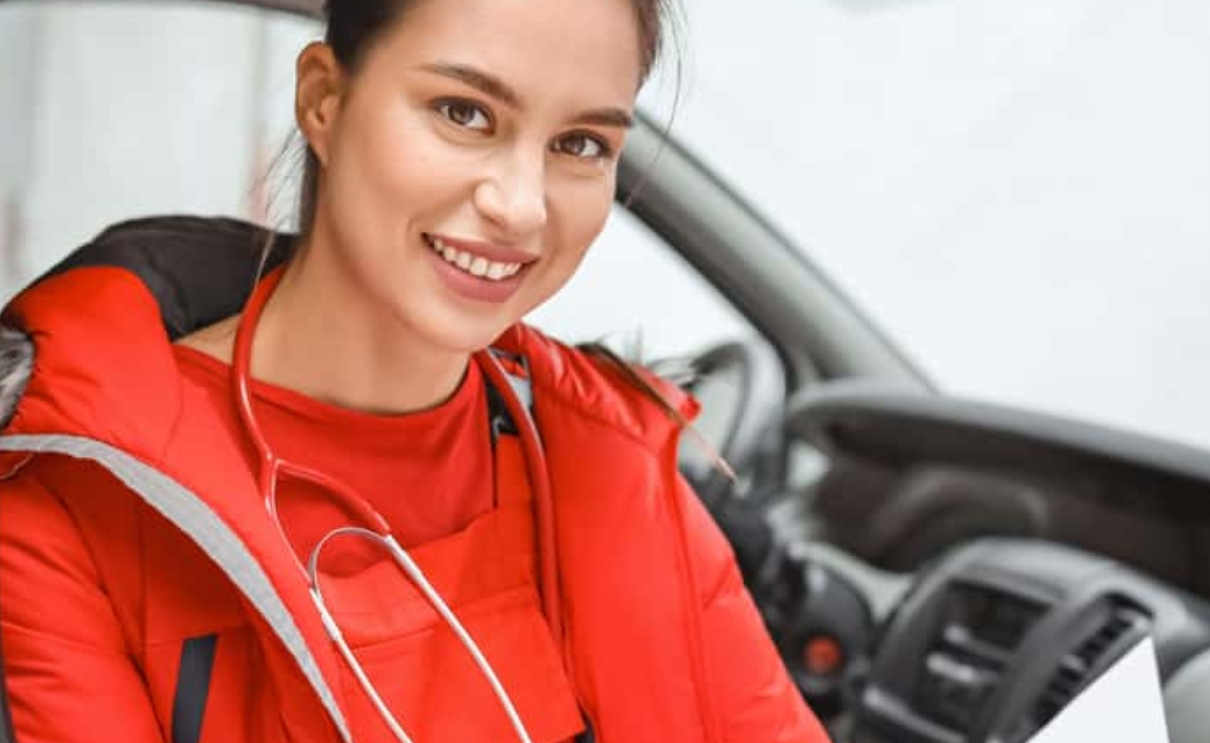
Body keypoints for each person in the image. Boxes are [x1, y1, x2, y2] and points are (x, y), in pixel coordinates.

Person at [0, 0, 828, 741]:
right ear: (324, 99)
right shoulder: (73, 497)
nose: (521, 205)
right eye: (463, 112)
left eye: (579, 143)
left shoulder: (611, 460)